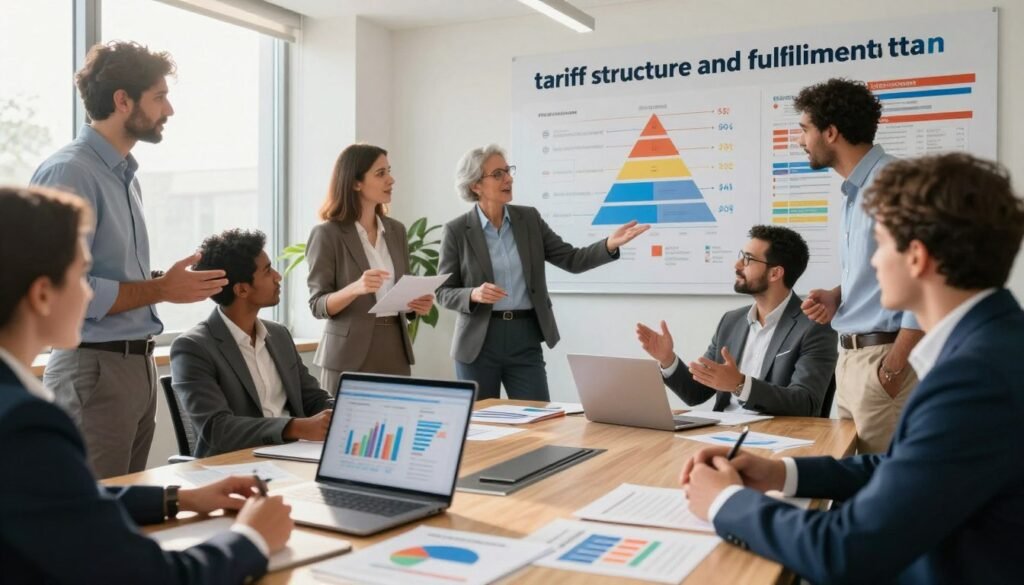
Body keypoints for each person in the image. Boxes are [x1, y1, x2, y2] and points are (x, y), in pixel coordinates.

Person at [682, 153, 1024, 584]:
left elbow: (844, 550)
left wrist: (723, 502)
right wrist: (780, 472)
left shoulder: (975, 379)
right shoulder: (990, 346)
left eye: (878, 246)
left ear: (916, 258)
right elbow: (903, 467)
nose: (872, 265)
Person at [0, 186, 293, 585]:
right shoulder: (24, 423)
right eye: (83, 276)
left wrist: (181, 498)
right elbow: (152, 577)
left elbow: (65, 501)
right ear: (42, 295)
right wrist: (252, 539)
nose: (91, 293)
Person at [29, 41, 228, 478]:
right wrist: (159, 289)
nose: (169, 109)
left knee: (128, 508)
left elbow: (107, 275)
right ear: (123, 100)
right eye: (159, 96)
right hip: (93, 368)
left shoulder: (125, 175)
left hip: (136, 366)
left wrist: (164, 282)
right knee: (92, 520)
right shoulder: (70, 172)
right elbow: (65, 289)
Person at [436, 144, 650, 401]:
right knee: (481, 427)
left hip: (524, 335)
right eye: (498, 174)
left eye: (508, 171)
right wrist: (473, 294)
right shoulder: (457, 231)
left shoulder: (529, 220)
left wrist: (608, 245)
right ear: (475, 186)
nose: (508, 178)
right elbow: (443, 292)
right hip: (478, 342)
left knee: (538, 421)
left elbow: (572, 259)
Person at [794, 78, 923, 453]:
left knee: (882, 494)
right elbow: (888, 269)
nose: (800, 141)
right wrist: (840, 295)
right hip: (851, 359)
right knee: (849, 486)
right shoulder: (856, 192)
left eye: (805, 130)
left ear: (830, 132)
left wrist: (895, 367)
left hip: (885, 360)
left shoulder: (895, 184)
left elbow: (930, 279)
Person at [637, 226, 837, 416]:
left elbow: (806, 403)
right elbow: (695, 393)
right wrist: (667, 359)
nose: (737, 264)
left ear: (775, 273)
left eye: (748, 259)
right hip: (720, 432)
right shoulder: (731, 321)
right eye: (741, 257)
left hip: (775, 437)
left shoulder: (813, 327)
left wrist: (740, 385)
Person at [170, 229, 333, 457]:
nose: (278, 276)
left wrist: (346, 412)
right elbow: (217, 429)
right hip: (237, 466)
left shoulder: (278, 335)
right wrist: (295, 427)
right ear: (242, 289)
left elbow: (313, 399)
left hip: (296, 455)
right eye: (267, 271)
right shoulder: (193, 348)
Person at [306, 144, 433, 395]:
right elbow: (318, 305)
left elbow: (400, 290)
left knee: (396, 428)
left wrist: (414, 305)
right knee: (346, 432)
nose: (391, 179)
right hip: (347, 356)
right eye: (380, 173)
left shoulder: (396, 230)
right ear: (355, 183)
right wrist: (356, 288)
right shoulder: (326, 234)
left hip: (394, 350)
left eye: (389, 171)